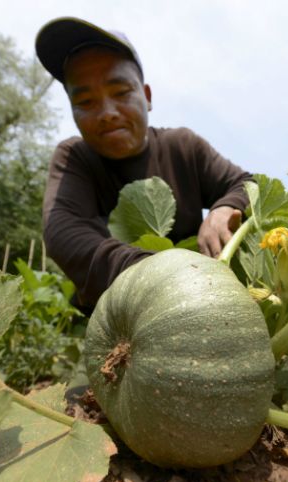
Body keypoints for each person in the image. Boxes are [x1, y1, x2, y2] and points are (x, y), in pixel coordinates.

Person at [35, 17, 253, 313]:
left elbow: (247, 183)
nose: (107, 112)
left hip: (205, 306)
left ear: (147, 97)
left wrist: (227, 206)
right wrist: (159, 274)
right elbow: (63, 232)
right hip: (119, 318)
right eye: (86, 101)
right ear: (72, 112)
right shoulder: (74, 157)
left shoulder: (183, 146)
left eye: (121, 92)